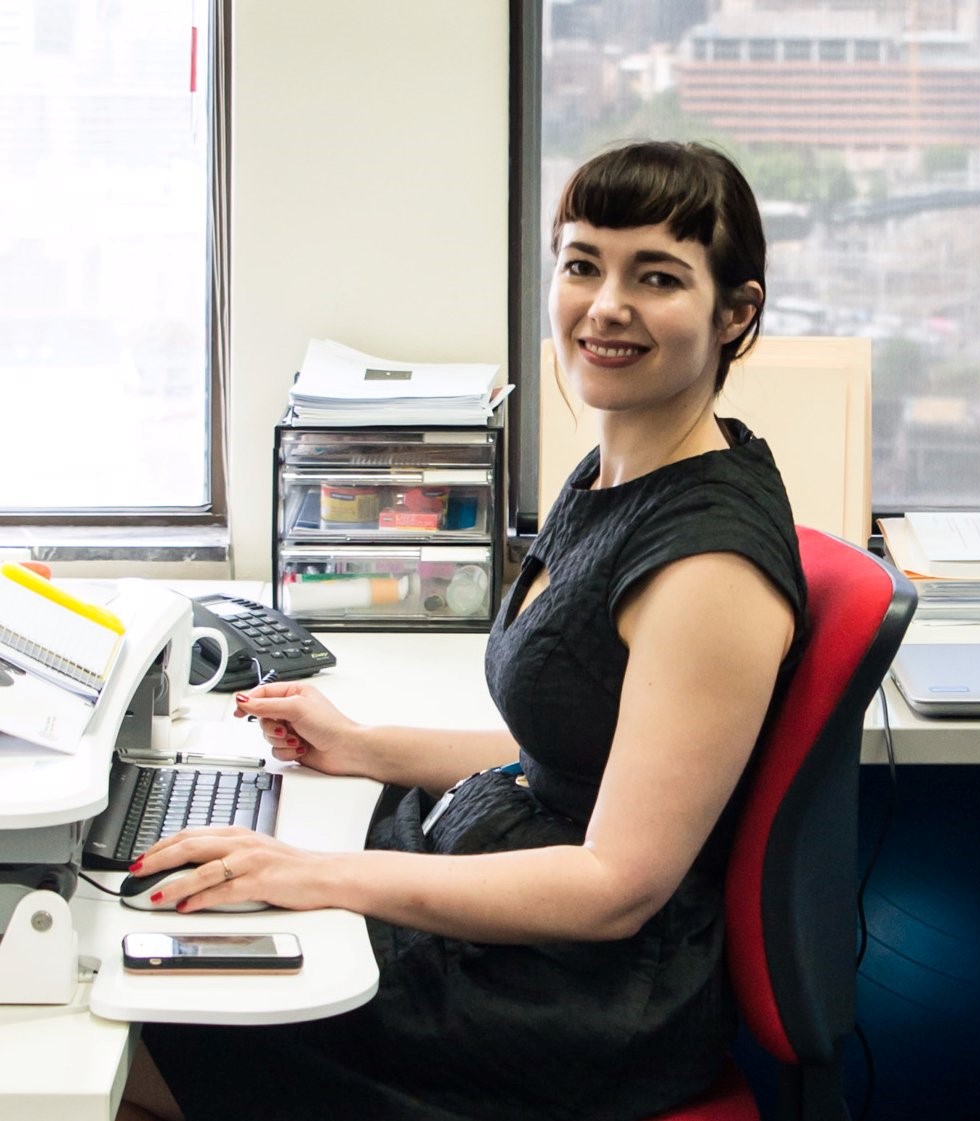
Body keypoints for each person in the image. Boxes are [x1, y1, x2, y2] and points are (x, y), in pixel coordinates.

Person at [118, 139, 807, 1121]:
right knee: (161, 968)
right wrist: (365, 746)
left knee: (141, 1024)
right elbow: (578, 749)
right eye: (583, 264)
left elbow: (613, 884)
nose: (605, 305)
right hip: (502, 913)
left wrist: (318, 874)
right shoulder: (615, 474)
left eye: (655, 277)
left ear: (733, 313)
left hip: (568, 997)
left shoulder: (708, 567)